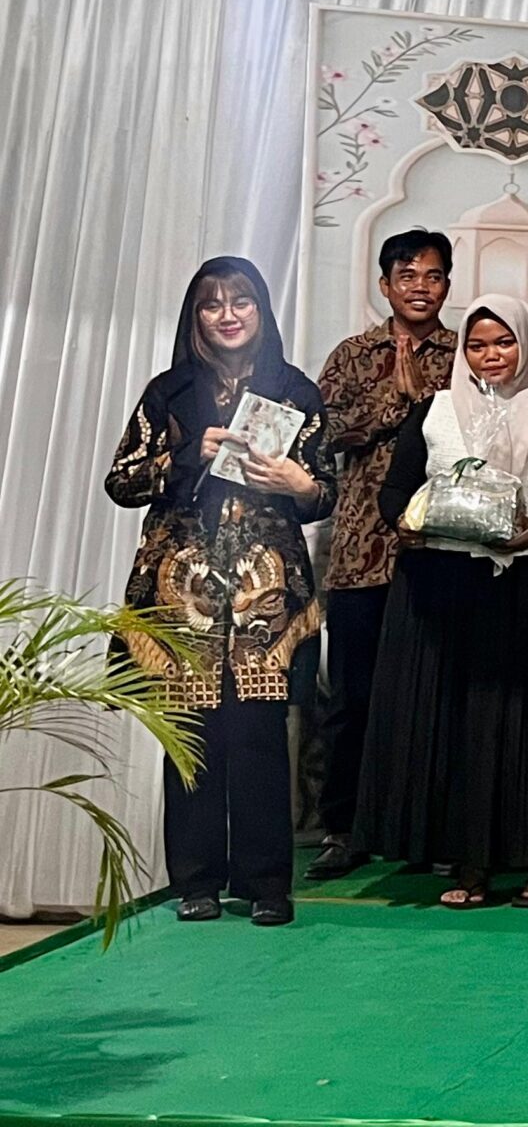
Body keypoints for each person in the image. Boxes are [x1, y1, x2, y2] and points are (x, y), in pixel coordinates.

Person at [106, 257, 334, 927]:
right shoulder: (170, 391)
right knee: (191, 736)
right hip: (183, 594)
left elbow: (326, 491)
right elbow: (122, 480)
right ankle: (197, 881)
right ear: (195, 316)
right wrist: (188, 456)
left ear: (261, 310)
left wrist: (298, 485)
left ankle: (267, 884)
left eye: (241, 301)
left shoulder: (294, 391)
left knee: (260, 736)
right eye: (213, 304)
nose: (228, 315)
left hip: (265, 595)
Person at [358, 295, 528, 908]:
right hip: (441, 586)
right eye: (477, 344)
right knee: (458, 723)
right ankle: (468, 865)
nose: (491, 356)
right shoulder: (434, 412)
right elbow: (395, 491)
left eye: (504, 342)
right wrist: (409, 523)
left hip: (525, 581)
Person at [309, 228, 456, 882]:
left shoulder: (466, 353)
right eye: (407, 275)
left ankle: (433, 831)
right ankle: (343, 829)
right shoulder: (351, 355)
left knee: (435, 696)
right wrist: (397, 395)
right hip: (360, 553)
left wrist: (422, 399)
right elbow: (321, 433)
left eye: (433, 275)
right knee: (353, 700)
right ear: (384, 285)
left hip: (442, 548)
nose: (420, 287)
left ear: (446, 284)